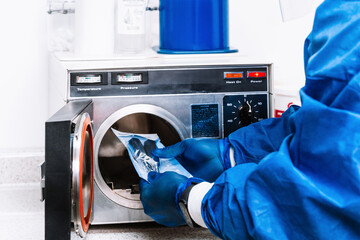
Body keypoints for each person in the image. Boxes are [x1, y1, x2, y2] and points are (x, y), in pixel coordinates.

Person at [139, 0, 360, 239]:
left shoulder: (350, 26)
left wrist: (192, 200)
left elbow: (324, 200)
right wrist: (234, 153)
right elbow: (331, 129)